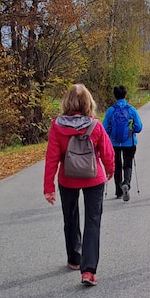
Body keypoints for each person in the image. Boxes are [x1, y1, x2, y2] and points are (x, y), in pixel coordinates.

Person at [44, 84, 114, 286]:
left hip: (68, 178)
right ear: (88, 102)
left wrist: (48, 187)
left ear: (67, 101)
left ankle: (74, 257)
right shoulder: (95, 125)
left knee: (71, 216)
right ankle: (89, 270)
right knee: (93, 220)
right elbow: (107, 151)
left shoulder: (57, 126)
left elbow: (51, 158)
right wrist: (110, 169)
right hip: (94, 177)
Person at [102, 86, 142, 202]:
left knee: (117, 166)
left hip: (114, 143)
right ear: (125, 95)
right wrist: (131, 130)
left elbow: (104, 128)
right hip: (129, 142)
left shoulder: (111, 110)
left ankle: (119, 191)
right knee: (128, 164)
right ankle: (126, 183)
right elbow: (139, 127)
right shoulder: (131, 109)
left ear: (115, 96)